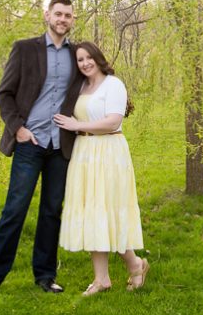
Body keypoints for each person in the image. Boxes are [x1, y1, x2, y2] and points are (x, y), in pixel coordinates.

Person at [0, 0, 83, 300]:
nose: (63, 19)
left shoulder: (77, 54)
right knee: (15, 209)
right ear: (47, 15)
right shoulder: (25, 49)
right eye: (58, 14)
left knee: (51, 211)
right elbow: (4, 93)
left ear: (73, 20)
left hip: (60, 144)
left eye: (68, 16)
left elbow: (97, 80)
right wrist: (17, 129)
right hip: (30, 142)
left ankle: (45, 275)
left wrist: (120, 102)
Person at [53, 42, 148, 296]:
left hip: (108, 151)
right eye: (80, 60)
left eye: (88, 58)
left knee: (108, 211)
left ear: (98, 57)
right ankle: (101, 279)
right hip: (84, 152)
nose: (84, 63)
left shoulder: (113, 84)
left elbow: (113, 121)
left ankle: (135, 264)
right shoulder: (81, 86)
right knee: (92, 213)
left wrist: (76, 125)